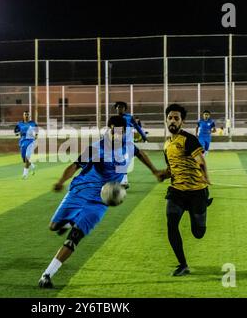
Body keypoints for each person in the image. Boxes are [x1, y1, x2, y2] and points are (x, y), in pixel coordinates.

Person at [38, 115, 163, 288]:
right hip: (81, 191)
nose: (116, 134)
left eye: (120, 131)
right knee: (54, 226)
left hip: (100, 201)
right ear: (108, 129)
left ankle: (47, 275)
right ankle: (68, 222)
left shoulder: (128, 145)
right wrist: (60, 181)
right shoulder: (96, 148)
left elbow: (140, 153)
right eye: (113, 130)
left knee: (74, 238)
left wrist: (155, 171)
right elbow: (75, 165)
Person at [159, 103, 213, 277]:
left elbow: (201, 160)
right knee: (171, 224)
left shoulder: (188, 139)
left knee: (198, 233)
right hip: (177, 191)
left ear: (182, 121)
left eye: (176, 118)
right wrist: (163, 174)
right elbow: (171, 168)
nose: (173, 121)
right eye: (170, 118)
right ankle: (183, 265)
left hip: (197, 191)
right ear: (166, 120)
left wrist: (206, 177)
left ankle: (203, 205)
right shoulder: (166, 144)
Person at [114, 101, 148, 189]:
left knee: (125, 161)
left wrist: (143, 135)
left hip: (128, 143)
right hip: (117, 144)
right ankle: (122, 180)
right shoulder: (114, 119)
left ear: (125, 109)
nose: (119, 109)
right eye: (118, 107)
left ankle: (124, 180)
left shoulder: (129, 117)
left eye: (121, 107)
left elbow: (137, 126)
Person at [14, 111, 38, 179]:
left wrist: (36, 135)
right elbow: (16, 131)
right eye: (25, 114)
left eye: (27, 114)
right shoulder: (19, 124)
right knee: (24, 160)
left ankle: (25, 174)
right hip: (22, 142)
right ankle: (32, 165)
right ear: (23, 115)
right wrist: (17, 133)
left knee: (27, 157)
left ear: (29, 116)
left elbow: (36, 130)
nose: (26, 115)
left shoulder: (32, 123)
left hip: (31, 142)